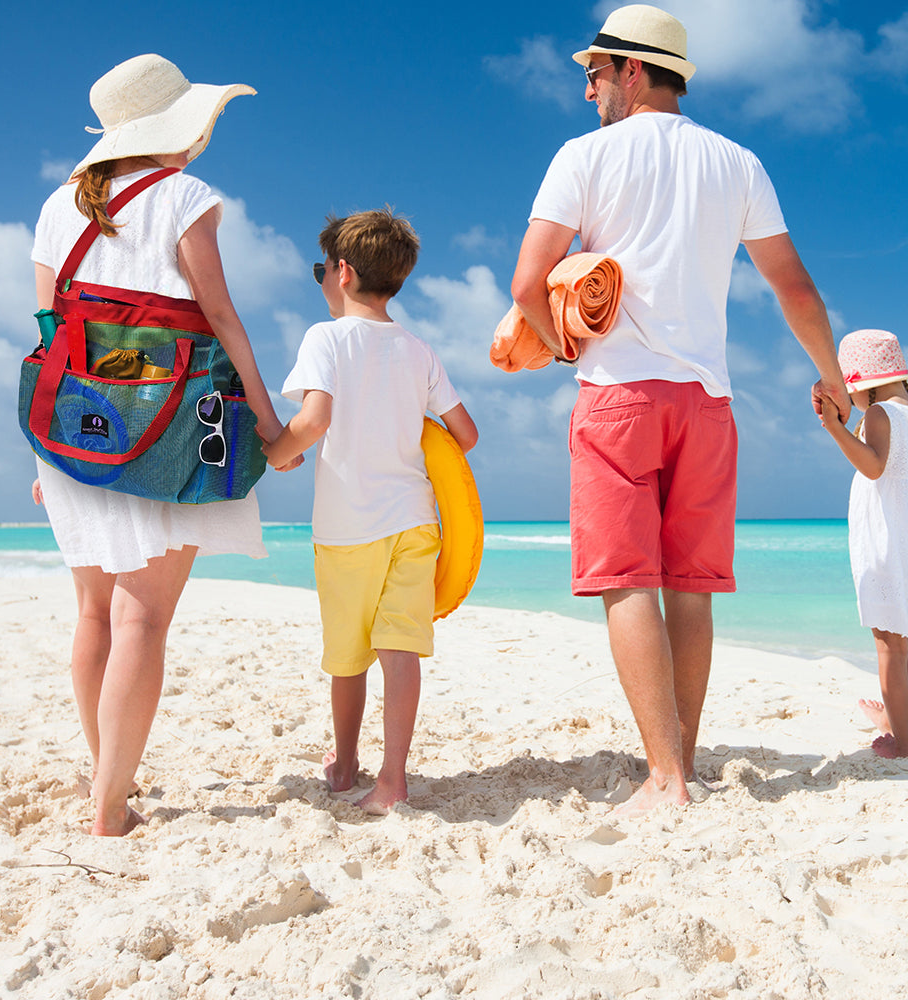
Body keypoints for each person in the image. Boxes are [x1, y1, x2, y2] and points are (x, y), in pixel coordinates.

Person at [509, 4, 850, 814]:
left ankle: (664, 777)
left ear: (633, 70)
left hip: (617, 396)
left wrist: (563, 347)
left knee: (628, 583)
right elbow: (793, 286)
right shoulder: (738, 162)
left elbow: (528, 284)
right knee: (689, 588)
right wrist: (832, 376)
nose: (588, 87)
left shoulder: (583, 156)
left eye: (595, 71)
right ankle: (681, 760)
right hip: (709, 403)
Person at [30, 54, 296, 836]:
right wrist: (270, 423)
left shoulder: (55, 206)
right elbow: (219, 316)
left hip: (73, 423)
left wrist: (41, 454)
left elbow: (49, 331)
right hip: (165, 421)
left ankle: (107, 781)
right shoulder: (184, 196)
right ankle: (110, 808)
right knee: (142, 619)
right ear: (177, 125)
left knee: (94, 615)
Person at [263, 209, 478, 813]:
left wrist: (275, 454)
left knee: (349, 657)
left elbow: (313, 421)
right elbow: (465, 434)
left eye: (320, 270)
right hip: (415, 522)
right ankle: (392, 781)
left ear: (343, 271)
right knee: (400, 650)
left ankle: (345, 766)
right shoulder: (418, 350)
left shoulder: (324, 338)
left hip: (347, 526)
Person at [820, 329, 908, 760]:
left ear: (860, 384)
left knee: (890, 641)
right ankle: (898, 716)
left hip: (890, 545)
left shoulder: (879, 416)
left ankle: (903, 741)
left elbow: (874, 467)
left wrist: (835, 429)